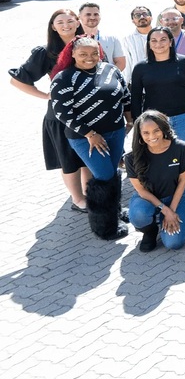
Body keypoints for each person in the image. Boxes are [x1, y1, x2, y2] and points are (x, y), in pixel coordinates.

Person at [50, 38, 131, 240]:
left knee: (113, 173)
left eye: (94, 53)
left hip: (116, 131)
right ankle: (104, 227)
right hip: (85, 138)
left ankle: (114, 211)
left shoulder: (110, 70)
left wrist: (130, 120)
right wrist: (90, 134)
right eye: (83, 54)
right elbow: (63, 113)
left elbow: (125, 96)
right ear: (73, 54)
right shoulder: (63, 78)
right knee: (103, 176)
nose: (90, 58)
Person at [9, 9, 87, 210]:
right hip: (61, 114)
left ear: (78, 22)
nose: (66, 25)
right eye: (60, 22)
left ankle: (90, 194)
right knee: (68, 159)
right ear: (53, 26)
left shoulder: (88, 44)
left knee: (87, 157)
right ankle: (78, 200)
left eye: (70, 21)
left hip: (87, 110)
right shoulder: (45, 52)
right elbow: (17, 80)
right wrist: (45, 95)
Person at [130, 27, 185, 204]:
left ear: (170, 42)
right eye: (154, 40)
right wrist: (138, 124)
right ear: (149, 44)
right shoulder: (140, 68)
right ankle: (165, 196)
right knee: (160, 159)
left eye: (163, 39)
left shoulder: (184, 62)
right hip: (154, 124)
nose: (158, 44)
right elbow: (135, 97)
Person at [125, 111, 185, 251]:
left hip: (174, 197)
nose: (152, 136)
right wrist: (165, 210)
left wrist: (172, 210)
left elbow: (182, 182)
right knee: (138, 215)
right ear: (140, 134)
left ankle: (168, 220)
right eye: (146, 133)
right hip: (147, 198)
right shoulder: (131, 157)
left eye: (156, 131)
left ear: (163, 129)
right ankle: (150, 231)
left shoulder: (182, 148)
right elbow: (141, 190)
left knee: (174, 244)